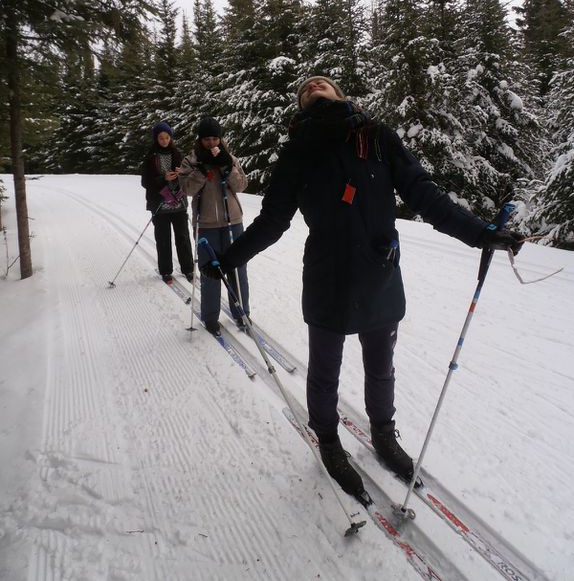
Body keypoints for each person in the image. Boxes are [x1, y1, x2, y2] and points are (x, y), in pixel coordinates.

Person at [201, 75, 524, 496]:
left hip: (380, 271)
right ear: (302, 106)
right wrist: (228, 260)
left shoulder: (376, 137)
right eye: (306, 87)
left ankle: (384, 436)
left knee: (380, 367)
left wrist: (480, 233)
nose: (314, 84)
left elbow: (425, 195)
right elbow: (273, 220)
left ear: (340, 94)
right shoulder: (298, 150)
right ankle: (330, 441)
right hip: (327, 274)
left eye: (323, 82)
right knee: (325, 371)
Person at [179, 117, 250, 336]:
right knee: (210, 271)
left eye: (214, 138)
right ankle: (210, 317)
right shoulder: (190, 161)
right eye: (206, 139)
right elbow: (187, 189)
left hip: (233, 222)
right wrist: (202, 170)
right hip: (206, 223)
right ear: (199, 140)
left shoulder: (229, 158)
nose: (211, 143)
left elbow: (241, 185)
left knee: (238, 269)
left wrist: (227, 167)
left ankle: (241, 313)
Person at [141, 121, 194, 284]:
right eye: (161, 138)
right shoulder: (150, 157)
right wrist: (162, 179)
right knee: (163, 239)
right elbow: (145, 182)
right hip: (160, 204)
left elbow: (190, 175)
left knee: (183, 237)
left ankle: (188, 269)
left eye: (167, 137)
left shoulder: (178, 154)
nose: (164, 140)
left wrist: (182, 173)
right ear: (156, 139)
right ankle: (165, 271)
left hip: (178, 203)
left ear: (171, 138)